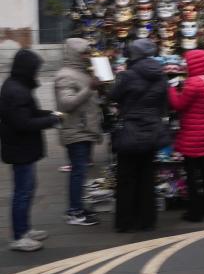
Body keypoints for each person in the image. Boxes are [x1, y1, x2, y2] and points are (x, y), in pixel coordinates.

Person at [0, 49, 62, 251]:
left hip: (23, 148)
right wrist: (51, 120)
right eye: (35, 69)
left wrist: (50, 113)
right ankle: (19, 236)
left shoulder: (18, 87)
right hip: (20, 149)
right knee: (22, 193)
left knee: (27, 190)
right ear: (27, 69)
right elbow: (23, 122)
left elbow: (30, 112)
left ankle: (25, 230)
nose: (36, 73)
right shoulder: (16, 91)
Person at [109, 39, 169, 232]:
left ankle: (125, 222)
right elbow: (163, 103)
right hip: (152, 130)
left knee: (126, 177)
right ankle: (147, 220)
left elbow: (113, 96)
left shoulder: (127, 75)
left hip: (130, 130)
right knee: (147, 176)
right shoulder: (160, 75)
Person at [54, 38, 103, 227]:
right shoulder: (65, 75)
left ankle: (78, 207)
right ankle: (74, 211)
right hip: (75, 131)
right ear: (75, 54)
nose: (87, 56)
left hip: (85, 129)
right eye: (84, 53)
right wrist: (89, 89)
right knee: (78, 172)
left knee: (81, 173)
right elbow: (66, 104)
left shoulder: (81, 72)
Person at [167, 49, 204, 222]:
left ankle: (195, 212)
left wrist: (172, 89)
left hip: (192, 135)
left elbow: (179, 104)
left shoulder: (192, 83)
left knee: (191, 175)